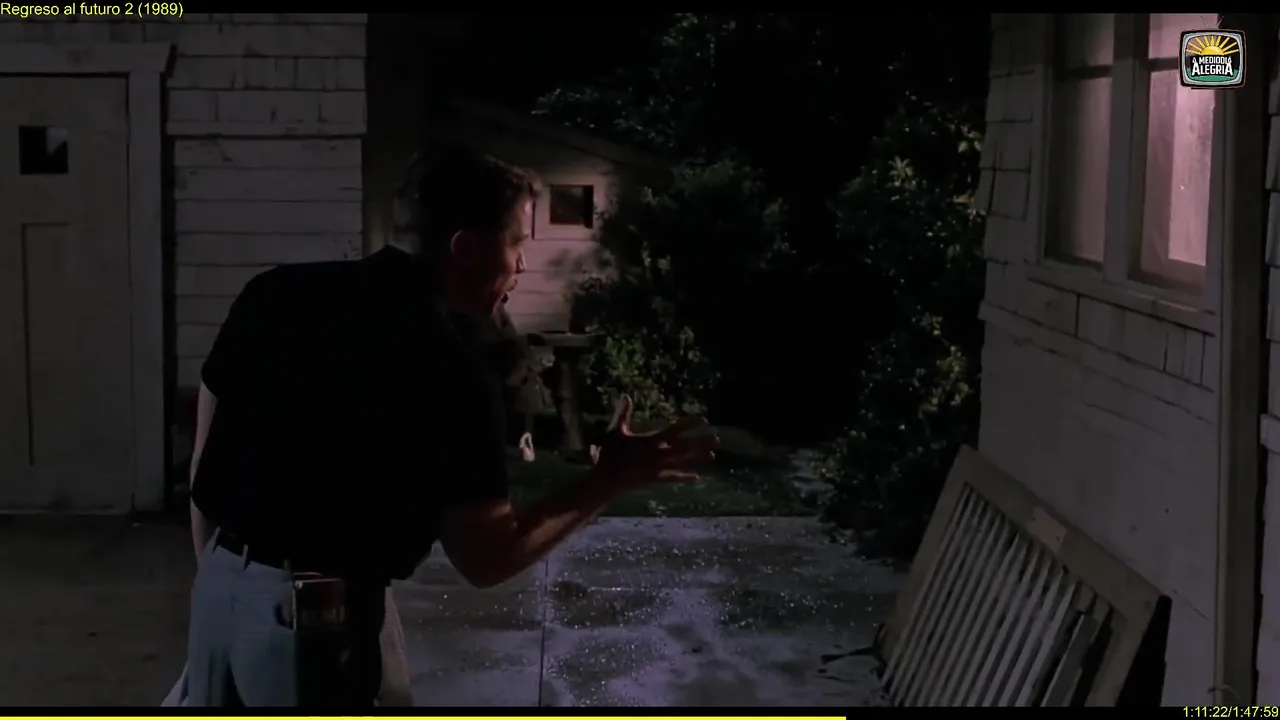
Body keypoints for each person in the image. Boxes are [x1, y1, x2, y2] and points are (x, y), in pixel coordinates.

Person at [183, 150, 716, 707]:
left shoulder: (273, 293)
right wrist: (608, 479)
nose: (522, 265)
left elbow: (206, 452)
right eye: (517, 243)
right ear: (465, 249)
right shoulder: (448, 367)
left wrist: (223, 584)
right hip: (315, 627)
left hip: (220, 594)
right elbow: (486, 556)